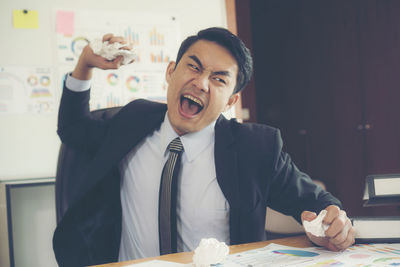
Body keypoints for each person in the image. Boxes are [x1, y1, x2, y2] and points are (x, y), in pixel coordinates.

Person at [53, 27, 355, 266]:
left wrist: (334, 223)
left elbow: (317, 203)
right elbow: (74, 130)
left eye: (219, 79)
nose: (201, 83)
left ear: (231, 101)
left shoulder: (256, 148)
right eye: (193, 68)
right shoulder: (134, 118)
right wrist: (85, 65)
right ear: (171, 72)